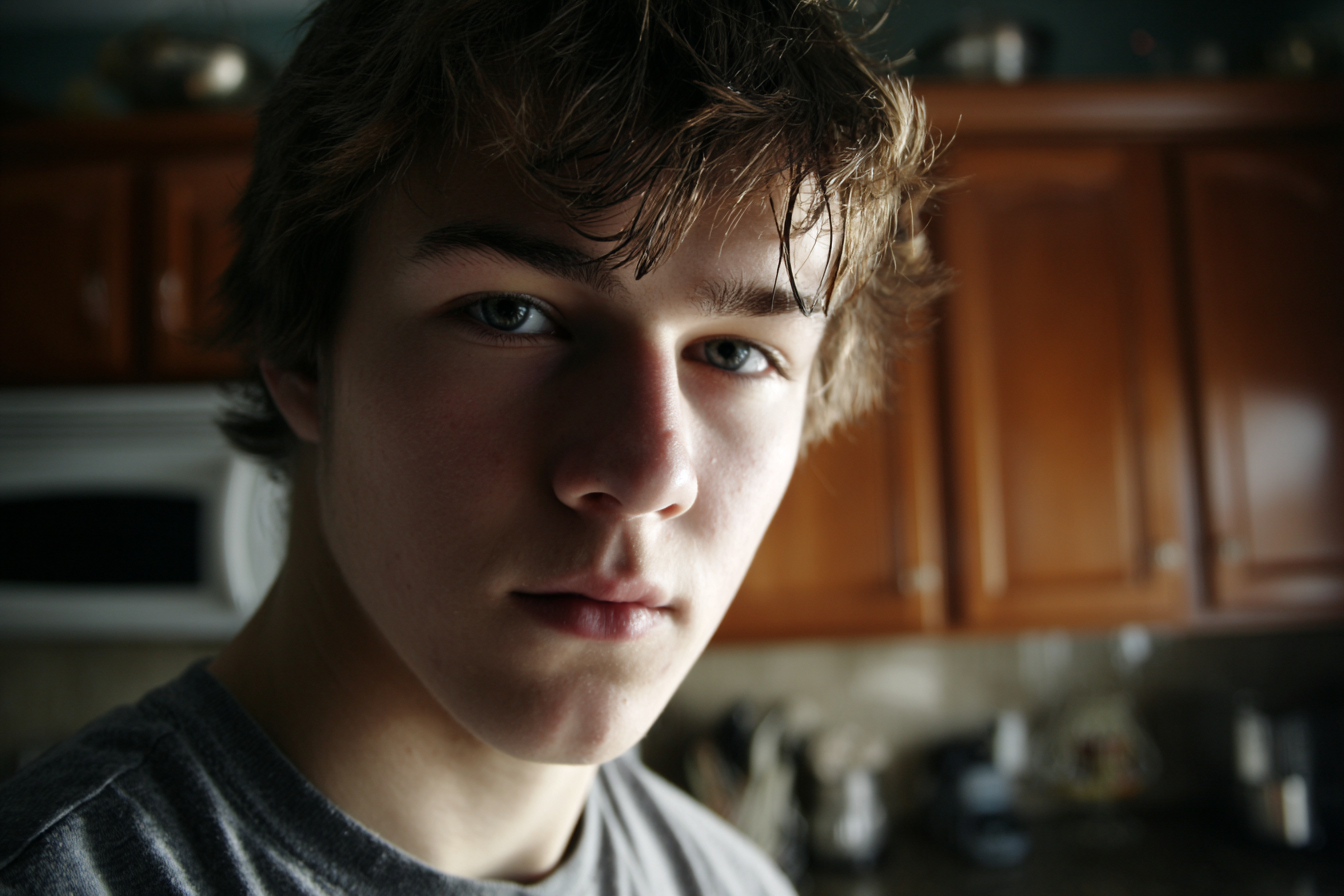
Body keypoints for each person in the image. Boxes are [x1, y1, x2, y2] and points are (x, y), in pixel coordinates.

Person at [0, 0, 938, 892]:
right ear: (300, 349)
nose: (646, 475)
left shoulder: (735, 884)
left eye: (735, 352)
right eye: (512, 313)